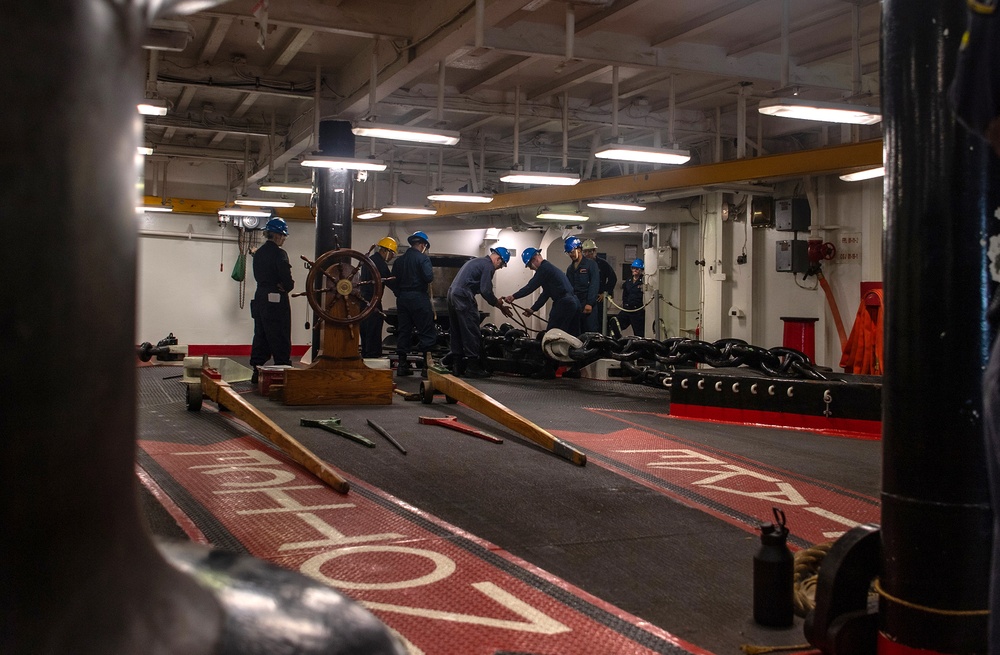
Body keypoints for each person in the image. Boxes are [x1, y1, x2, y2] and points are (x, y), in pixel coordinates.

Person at [446, 247, 513, 378]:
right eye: (501, 265)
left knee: (457, 330)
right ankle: (472, 367)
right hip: (463, 295)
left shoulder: (477, 262)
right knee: (471, 330)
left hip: (452, 294)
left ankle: (456, 366)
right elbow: (486, 290)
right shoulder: (488, 266)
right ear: (498, 259)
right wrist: (497, 303)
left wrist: (498, 304)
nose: (499, 268)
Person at [249, 217, 294, 384]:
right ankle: (282, 367)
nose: (284, 239)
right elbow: (286, 280)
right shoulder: (280, 254)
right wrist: (287, 286)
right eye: (283, 236)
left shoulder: (258, 253)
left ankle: (256, 369)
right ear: (276, 235)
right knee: (280, 333)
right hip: (276, 298)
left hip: (260, 296)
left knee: (260, 333)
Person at [503, 247, 581, 337]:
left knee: (553, 334)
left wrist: (514, 296)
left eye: (529, 265)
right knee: (573, 335)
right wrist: (533, 309)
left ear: (535, 259)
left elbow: (530, 286)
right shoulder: (549, 269)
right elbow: (546, 294)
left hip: (564, 303)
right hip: (574, 303)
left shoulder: (543, 269)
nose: (530, 268)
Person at [390, 231, 436, 377]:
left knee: (404, 330)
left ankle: (402, 365)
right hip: (419, 298)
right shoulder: (423, 259)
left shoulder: (399, 261)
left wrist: (399, 293)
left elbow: (393, 281)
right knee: (425, 330)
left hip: (403, 299)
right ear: (422, 245)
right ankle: (426, 367)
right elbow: (428, 278)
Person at [359, 236, 398, 358]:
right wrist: (402, 292)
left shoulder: (369, 261)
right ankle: (373, 357)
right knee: (374, 331)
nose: (392, 257)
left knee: (365, 331)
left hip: (363, 303)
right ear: (386, 251)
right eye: (392, 254)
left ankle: (365, 355)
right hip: (374, 303)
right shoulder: (380, 264)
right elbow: (391, 282)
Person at [564, 236, 599, 333]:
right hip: (575, 304)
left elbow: (594, 284)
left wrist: (589, 303)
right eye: (568, 253)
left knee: (590, 332)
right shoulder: (570, 269)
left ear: (578, 249)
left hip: (587, 304)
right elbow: (569, 287)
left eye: (572, 252)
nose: (570, 255)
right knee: (575, 332)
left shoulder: (591, 264)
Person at [582, 239, 618, 334]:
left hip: (598, 299)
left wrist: (605, 293)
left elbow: (613, 278)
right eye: (585, 252)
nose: (587, 254)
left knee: (599, 323)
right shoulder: (581, 265)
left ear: (594, 251)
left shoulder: (603, 264)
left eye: (590, 251)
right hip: (584, 298)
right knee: (584, 323)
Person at [616, 259, 646, 337]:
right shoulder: (628, 280)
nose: (634, 270)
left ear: (641, 270)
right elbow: (625, 294)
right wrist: (625, 304)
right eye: (633, 268)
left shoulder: (643, 281)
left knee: (639, 333)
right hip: (627, 308)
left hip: (637, 311)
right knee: (615, 324)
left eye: (637, 269)